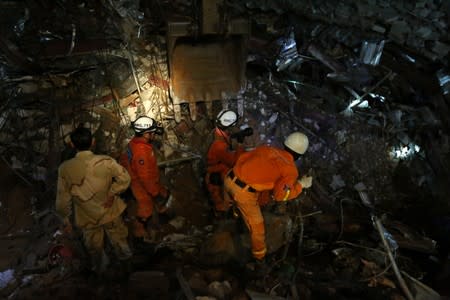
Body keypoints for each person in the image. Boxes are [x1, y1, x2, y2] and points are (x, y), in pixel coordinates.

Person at [223, 132, 313, 261]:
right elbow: (280, 195)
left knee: (233, 204)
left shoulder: (267, 149)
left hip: (229, 178)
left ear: (285, 144)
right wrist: (300, 185)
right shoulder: (290, 170)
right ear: (300, 155)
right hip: (243, 193)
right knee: (257, 227)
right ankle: (259, 258)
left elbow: (247, 160)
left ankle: (231, 217)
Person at [55, 125, 132, 274]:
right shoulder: (106, 161)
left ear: (72, 144)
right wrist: (111, 192)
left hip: (87, 217)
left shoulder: (64, 169)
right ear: (93, 142)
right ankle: (128, 275)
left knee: (95, 250)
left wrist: (66, 219)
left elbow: (62, 202)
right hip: (110, 212)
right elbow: (125, 179)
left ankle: (101, 278)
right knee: (121, 243)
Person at [120, 116, 170, 240]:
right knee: (145, 208)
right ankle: (139, 232)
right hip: (138, 183)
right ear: (146, 134)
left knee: (163, 194)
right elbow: (145, 178)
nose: (154, 134)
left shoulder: (136, 142)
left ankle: (161, 217)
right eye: (152, 132)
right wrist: (155, 193)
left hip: (139, 177)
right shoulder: (141, 151)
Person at [205, 109, 245, 215]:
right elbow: (235, 162)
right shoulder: (219, 145)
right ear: (229, 127)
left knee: (221, 203)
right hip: (217, 178)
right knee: (222, 206)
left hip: (216, 173)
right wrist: (240, 145)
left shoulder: (217, 135)